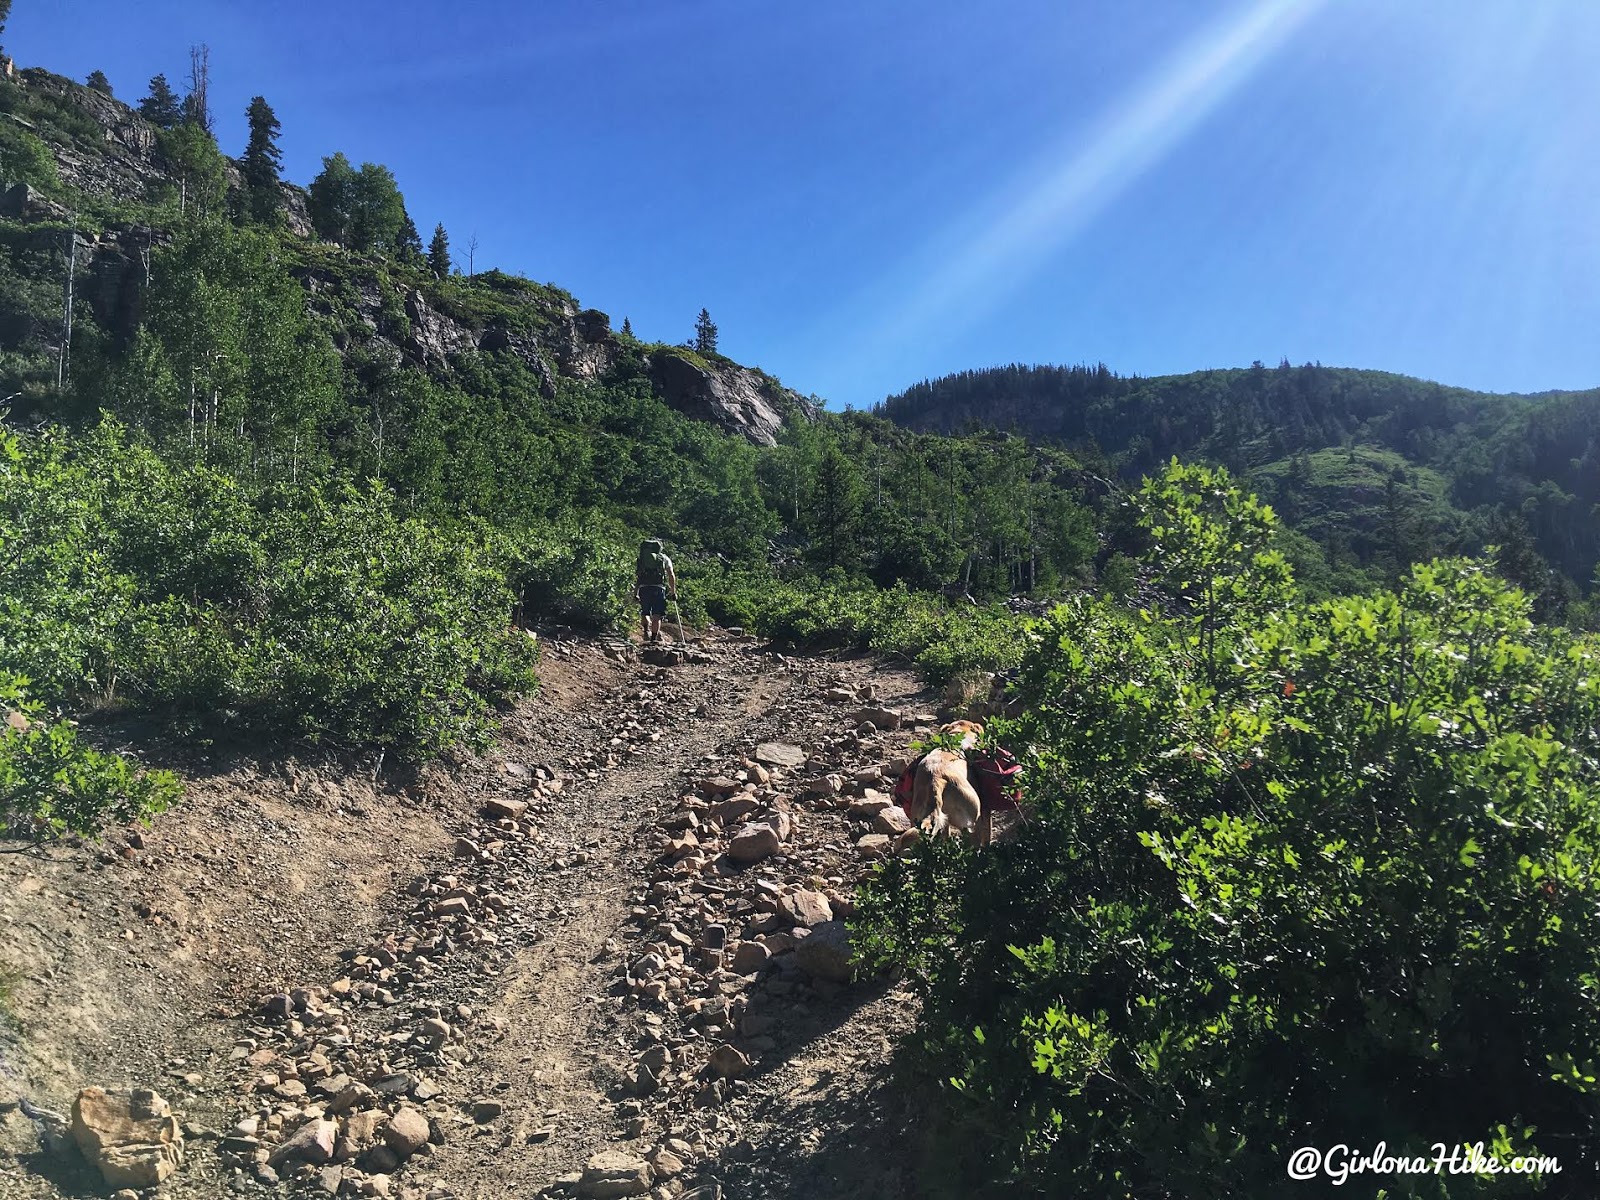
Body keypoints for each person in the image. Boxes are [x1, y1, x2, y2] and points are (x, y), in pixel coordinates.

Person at [634, 538, 677, 644]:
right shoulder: (664, 558)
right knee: (657, 614)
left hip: (644, 588)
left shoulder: (642, 559)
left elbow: (638, 577)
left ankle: (645, 631)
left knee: (645, 611)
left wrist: (635, 592)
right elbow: (671, 575)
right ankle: (653, 638)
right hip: (658, 588)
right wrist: (673, 592)